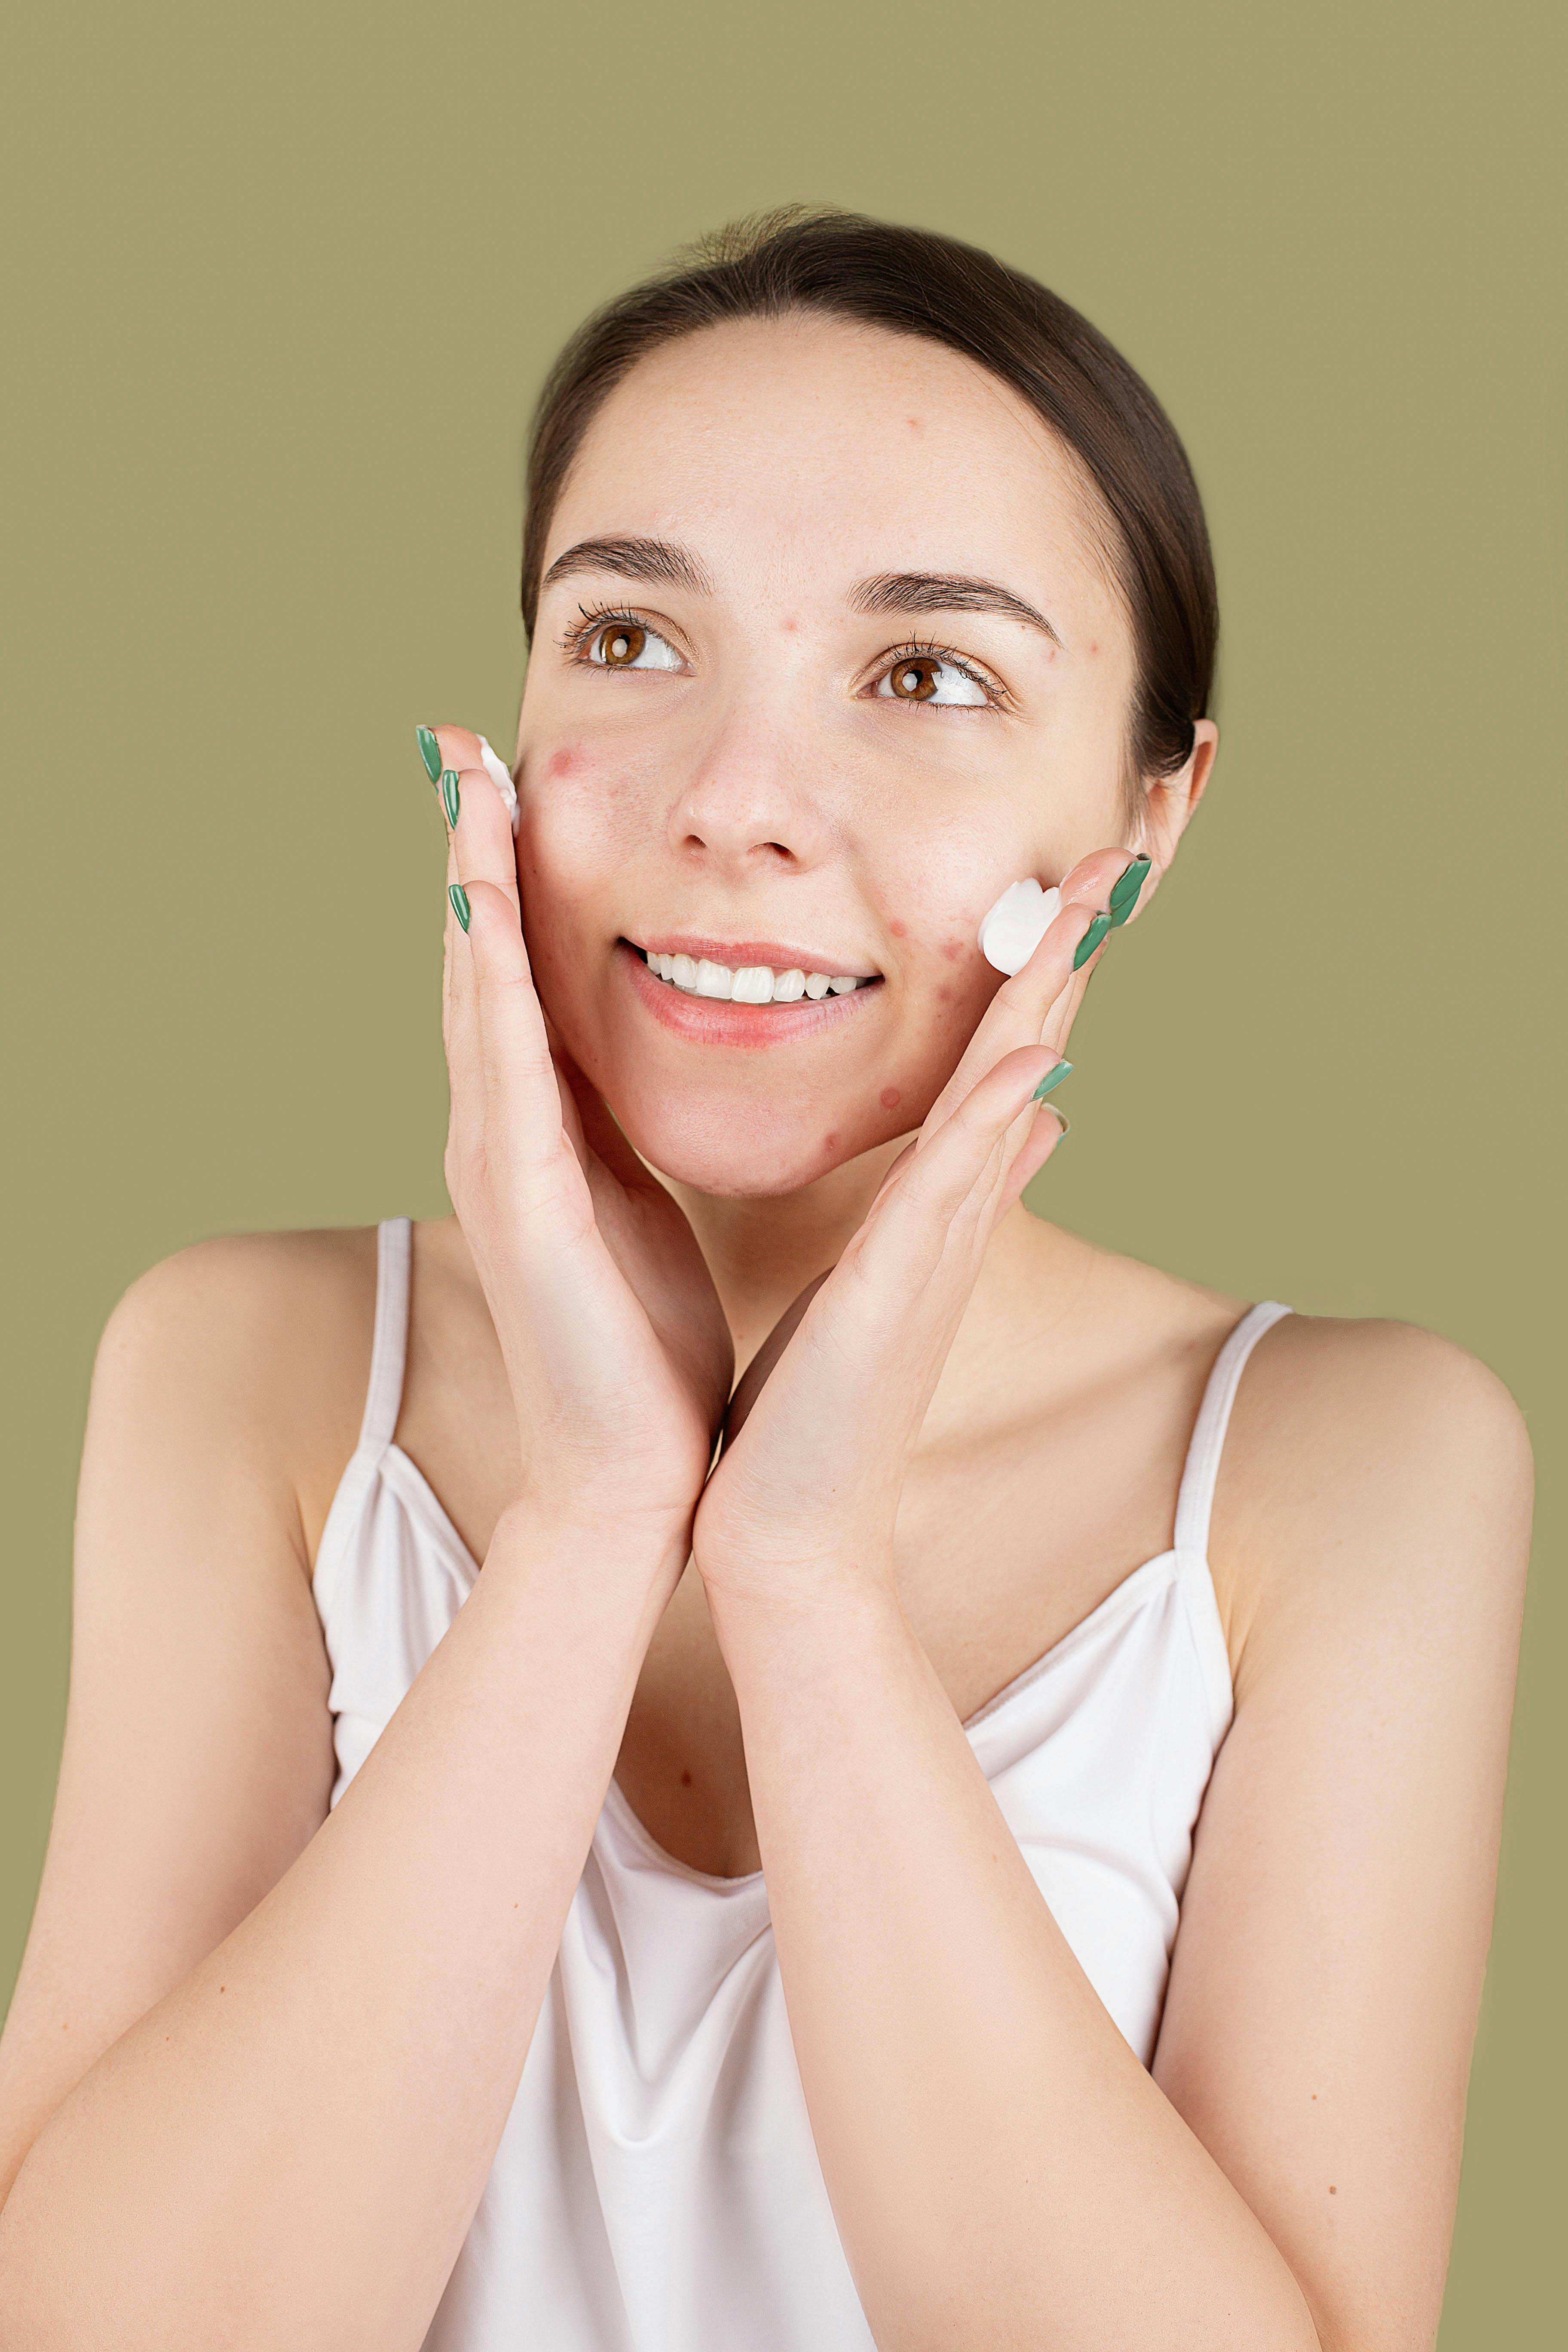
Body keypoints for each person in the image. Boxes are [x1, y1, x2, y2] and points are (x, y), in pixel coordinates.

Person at [0, 209, 1533, 2352]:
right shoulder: (247, 1369)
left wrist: (807, 1581)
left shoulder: (1345, 1466)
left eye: (929, 676)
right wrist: (590, 1527)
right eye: (630, 638)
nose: (739, 804)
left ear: (1149, 817)